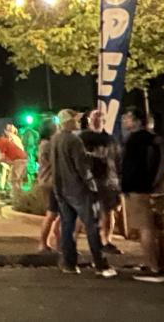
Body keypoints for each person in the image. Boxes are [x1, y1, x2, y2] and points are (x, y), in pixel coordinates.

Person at [51, 109, 115, 278]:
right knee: (92, 225)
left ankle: (69, 263)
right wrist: (92, 185)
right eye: (75, 119)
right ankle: (100, 264)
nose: (79, 122)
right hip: (79, 190)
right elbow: (82, 167)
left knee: (67, 226)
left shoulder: (55, 139)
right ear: (68, 121)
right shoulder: (74, 140)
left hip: (61, 188)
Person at [121, 108, 164, 280]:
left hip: (138, 188)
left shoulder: (134, 140)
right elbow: (163, 162)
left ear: (137, 121)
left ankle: (153, 266)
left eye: (127, 118)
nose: (124, 122)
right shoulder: (154, 139)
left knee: (145, 228)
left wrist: (125, 186)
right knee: (155, 226)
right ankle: (160, 262)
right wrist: (157, 182)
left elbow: (129, 167)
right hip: (152, 187)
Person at [79, 110, 122, 254]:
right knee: (87, 212)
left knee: (108, 211)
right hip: (89, 181)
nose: (96, 121)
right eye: (94, 119)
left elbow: (116, 159)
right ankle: (78, 241)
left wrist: (117, 179)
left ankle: (106, 241)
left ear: (104, 121)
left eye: (100, 119)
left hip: (107, 180)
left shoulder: (110, 139)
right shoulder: (82, 138)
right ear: (89, 121)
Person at [36, 120, 60, 253]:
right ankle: (43, 243)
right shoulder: (48, 145)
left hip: (48, 181)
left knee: (55, 214)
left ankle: (56, 243)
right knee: (52, 214)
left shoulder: (44, 144)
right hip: (51, 182)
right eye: (54, 126)